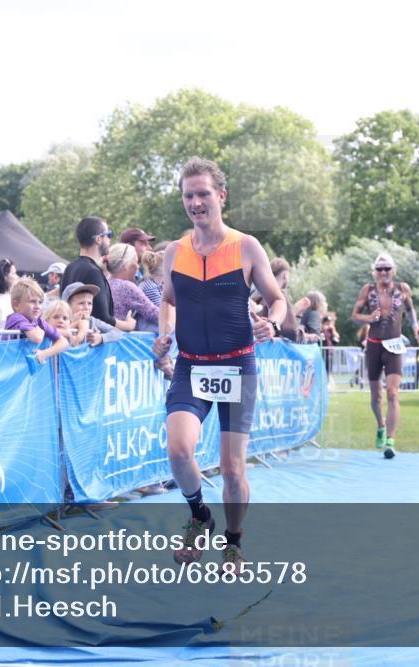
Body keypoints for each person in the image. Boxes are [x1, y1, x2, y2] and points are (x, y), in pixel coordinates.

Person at [151, 157, 286, 573]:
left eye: (203, 193)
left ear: (221, 196)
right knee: (178, 450)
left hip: (236, 366)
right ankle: (198, 516)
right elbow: (168, 301)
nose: (195, 202)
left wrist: (273, 323)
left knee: (231, 469)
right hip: (192, 366)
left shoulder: (245, 246)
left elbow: (276, 298)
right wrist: (165, 332)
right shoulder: (175, 251)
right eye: (188, 195)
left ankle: (233, 542)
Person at [351, 252, 419, 458]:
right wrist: (368, 318)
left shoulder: (403, 289)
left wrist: (415, 326)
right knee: (376, 397)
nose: (383, 272)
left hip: (394, 346)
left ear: (394, 270)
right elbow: (354, 316)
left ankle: (390, 440)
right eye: (380, 269)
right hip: (373, 346)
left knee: (392, 393)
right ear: (374, 272)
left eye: (387, 269)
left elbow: (410, 311)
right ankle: (380, 425)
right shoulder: (368, 290)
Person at [61, 217, 136, 332]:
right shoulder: (92, 271)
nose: (110, 240)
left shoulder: (70, 268)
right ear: (98, 239)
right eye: (109, 235)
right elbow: (103, 318)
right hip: (92, 343)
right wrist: (128, 325)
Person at [4, 277, 69, 363]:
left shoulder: (38, 321)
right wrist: (42, 331)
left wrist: (45, 353)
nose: (37, 306)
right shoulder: (16, 318)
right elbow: (37, 338)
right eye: (32, 301)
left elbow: (64, 342)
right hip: (7, 366)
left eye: (40, 302)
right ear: (16, 304)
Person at [106, 242, 160, 332]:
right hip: (121, 340)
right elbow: (153, 313)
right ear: (125, 265)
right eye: (135, 262)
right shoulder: (126, 287)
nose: (138, 266)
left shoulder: (104, 283)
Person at [62, 281, 120, 346]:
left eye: (89, 303)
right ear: (67, 306)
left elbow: (117, 332)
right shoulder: (62, 320)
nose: (86, 307)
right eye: (81, 303)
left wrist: (101, 338)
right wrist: (73, 322)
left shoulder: (93, 321)